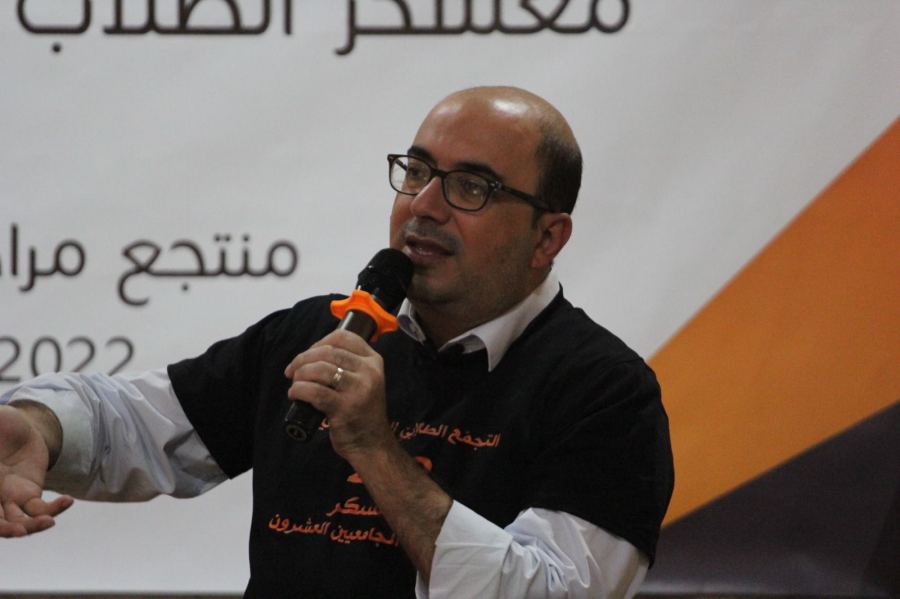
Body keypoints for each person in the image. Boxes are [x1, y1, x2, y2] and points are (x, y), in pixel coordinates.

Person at [0, 86, 674, 598]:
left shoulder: (606, 393)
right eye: (417, 171)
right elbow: (142, 423)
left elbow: (549, 591)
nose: (423, 205)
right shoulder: (321, 333)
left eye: (471, 187)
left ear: (548, 237)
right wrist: (39, 427)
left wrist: (374, 448)